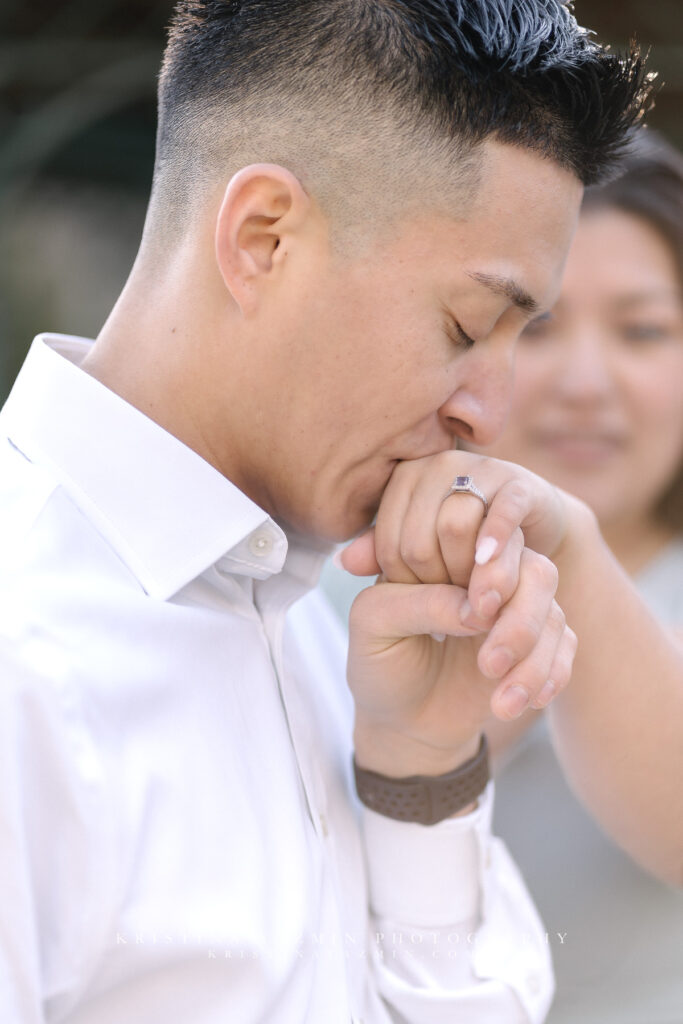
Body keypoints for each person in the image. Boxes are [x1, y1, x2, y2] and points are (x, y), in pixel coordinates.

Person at [0, 2, 658, 1022]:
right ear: (261, 236)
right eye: (465, 326)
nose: (488, 413)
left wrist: (423, 780)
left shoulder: (335, 621)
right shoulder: (26, 655)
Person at [470, 131, 683, 1023]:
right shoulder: (329, 583)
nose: (586, 383)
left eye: (640, 330)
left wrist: (573, 559)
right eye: (540, 325)